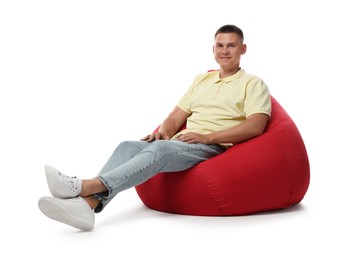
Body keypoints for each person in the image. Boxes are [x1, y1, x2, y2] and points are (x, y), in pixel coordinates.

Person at [38, 24, 272, 231]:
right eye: (219, 45)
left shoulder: (252, 84)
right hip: (183, 142)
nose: (224, 51)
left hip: (213, 147)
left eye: (231, 46)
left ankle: (83, 186)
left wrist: (207, 137)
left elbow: (256, 126)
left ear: (243, 49)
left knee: (159, 150)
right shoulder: (202, 80)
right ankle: (88, 206)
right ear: (213, 49)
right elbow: (175, 117)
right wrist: (165, 133)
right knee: (127, 146)